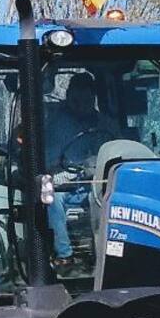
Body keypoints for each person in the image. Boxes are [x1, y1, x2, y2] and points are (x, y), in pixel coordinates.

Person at [46, 71, 118, 273]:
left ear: (93, 99)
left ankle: (104, 256)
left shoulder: (106, 125)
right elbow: (47, 159)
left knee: (108, 199)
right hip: (65, 185)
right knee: (51, 198)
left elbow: (116, 152)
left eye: (86, 100)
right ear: (68, 97)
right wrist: (64, 168)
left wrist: (94, 165)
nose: (81, 105)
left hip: (96, 184)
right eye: (76, 100)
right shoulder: (55, 125)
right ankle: (65, 255)